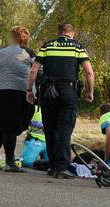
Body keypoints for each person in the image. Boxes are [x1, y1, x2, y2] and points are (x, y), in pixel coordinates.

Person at [27, 23, 95, 178]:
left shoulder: (47, 46)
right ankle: (62, 167)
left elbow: (33, 70)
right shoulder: (77, 47)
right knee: (64, 129)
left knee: (50, 129)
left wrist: (29, 90)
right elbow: (89, 72)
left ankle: (52, 166)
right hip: (68, 91)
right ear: (72, 33)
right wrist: (90, 91)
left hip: (47, 92)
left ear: (58, 33)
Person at [0, 26, 35, 172]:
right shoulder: (28, 52)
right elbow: (37, 69)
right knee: (10, 128)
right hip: (14, 92)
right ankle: (10, 162)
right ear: (25, 38)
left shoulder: (1, 52)